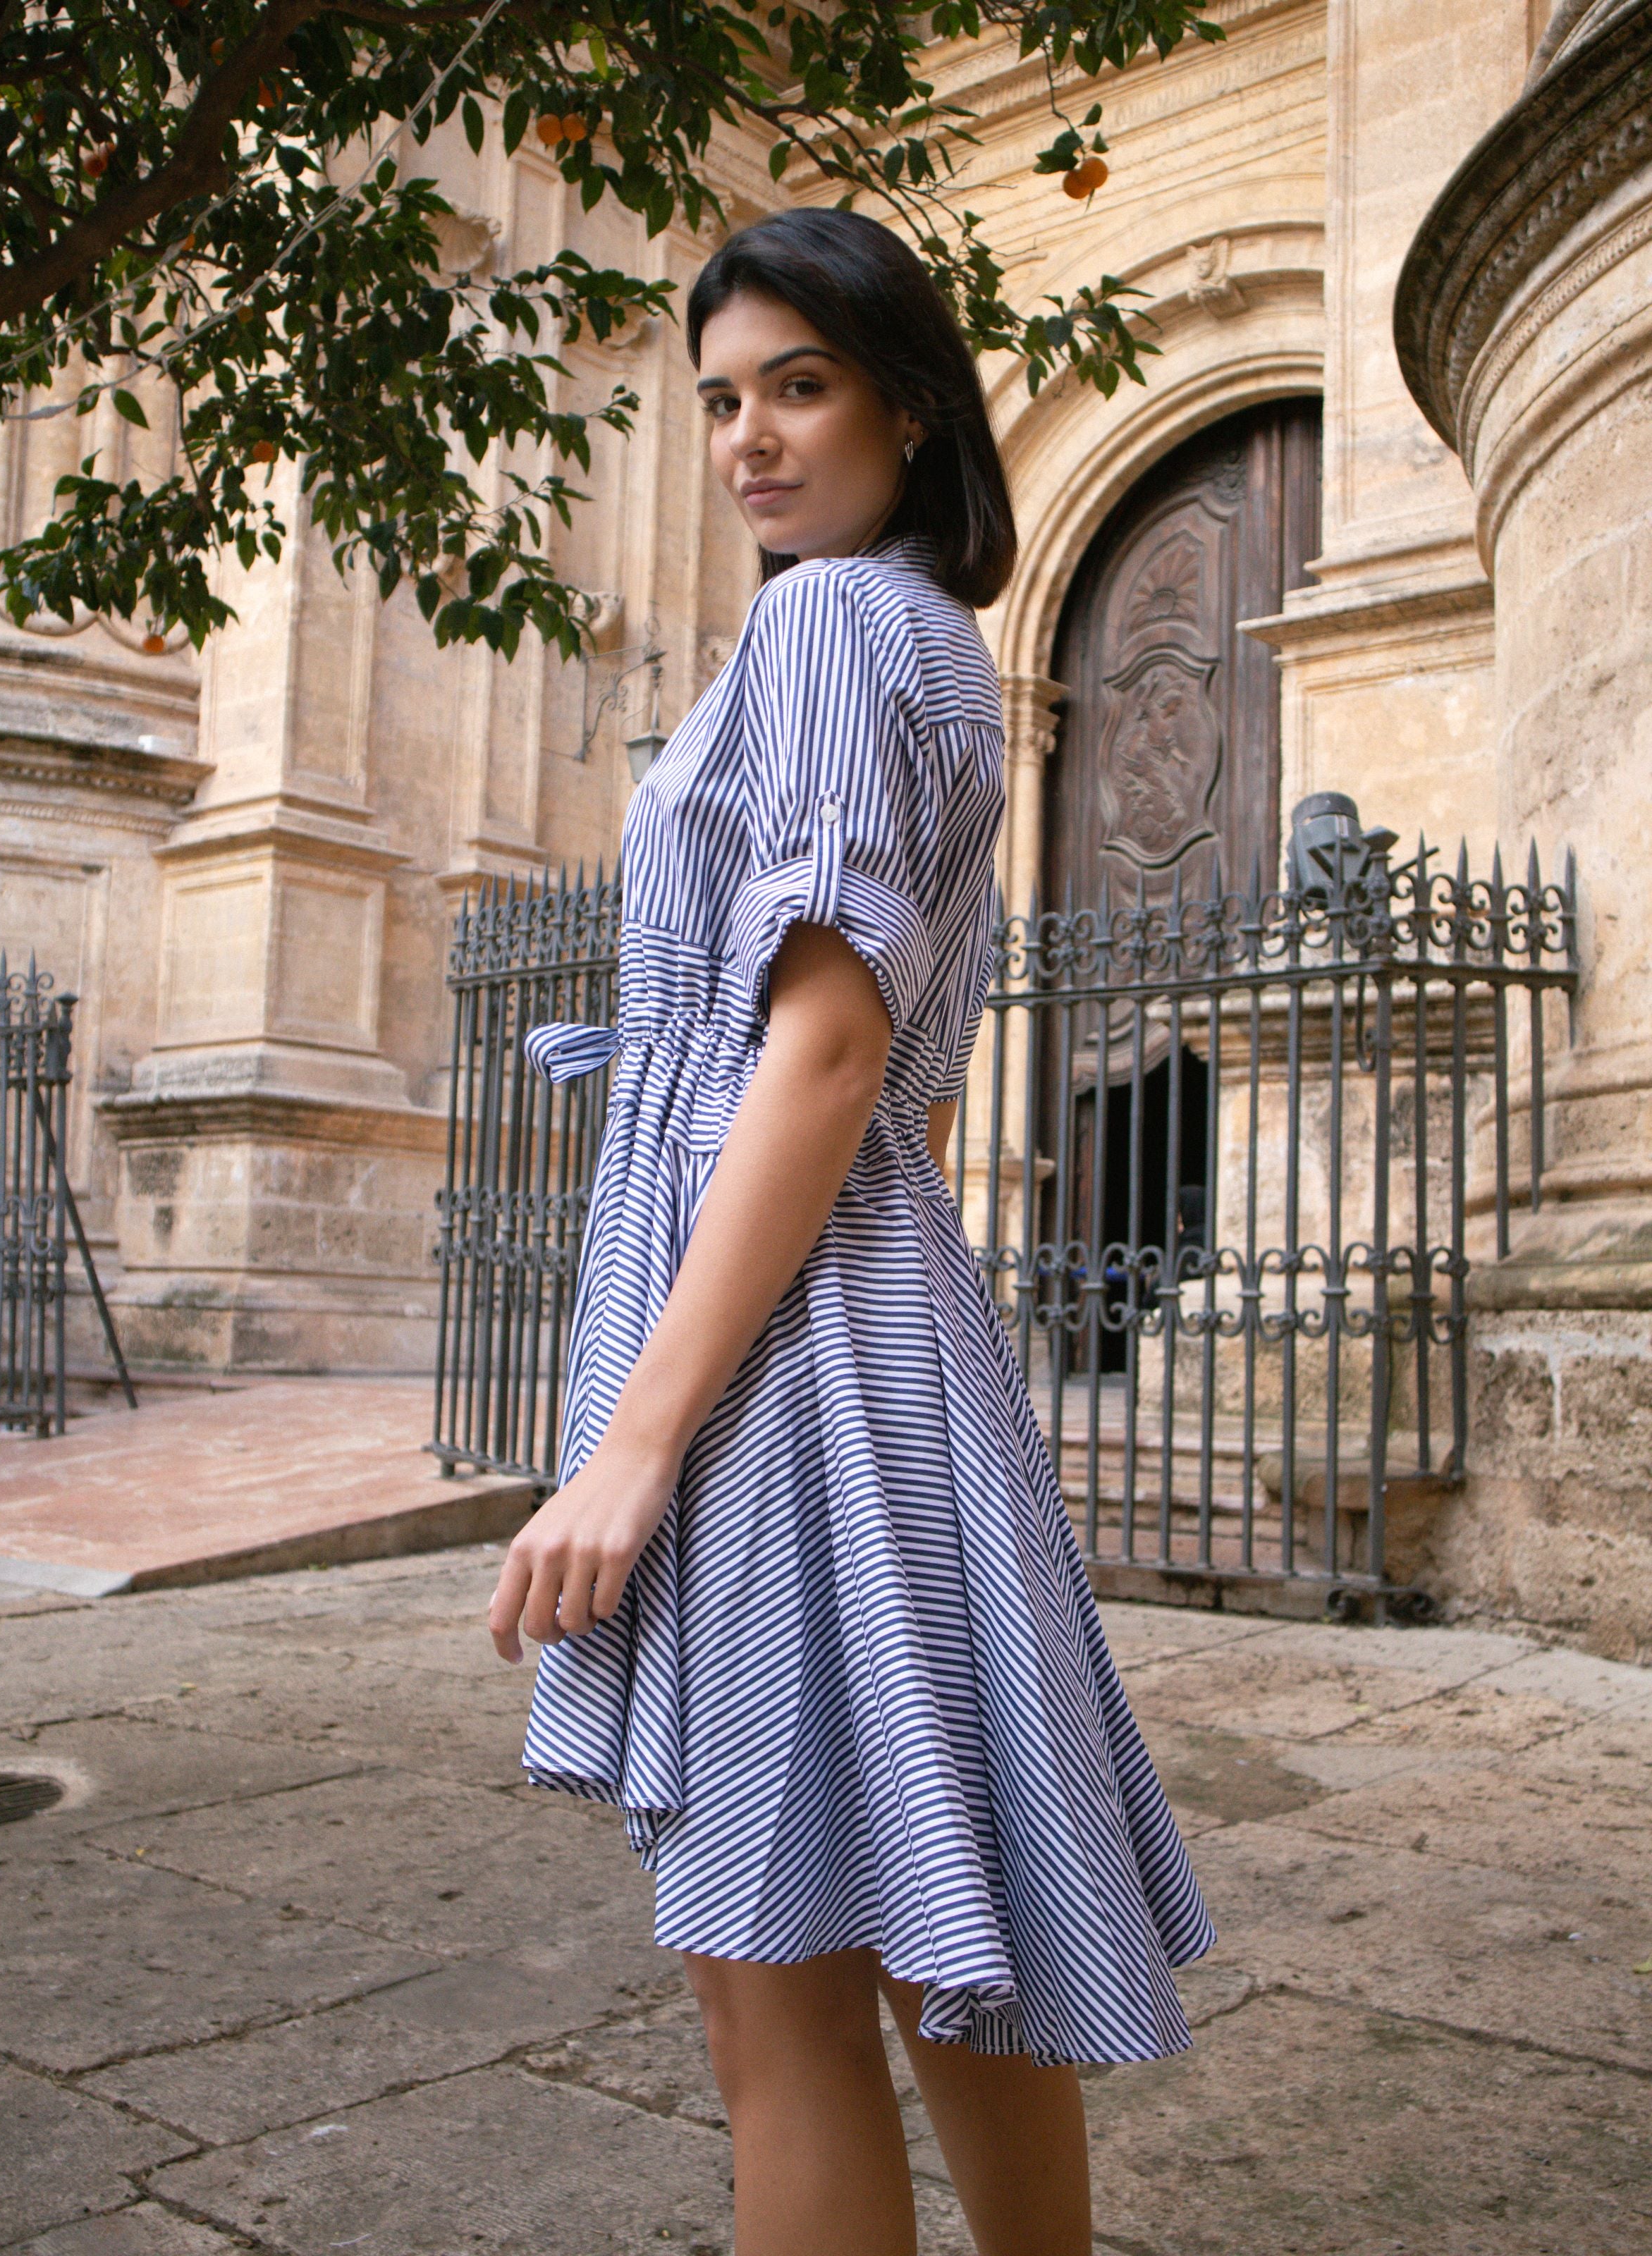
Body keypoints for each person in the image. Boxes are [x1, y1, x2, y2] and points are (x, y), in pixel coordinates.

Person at [488, 207, 1213, 2256]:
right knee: (925, 1915)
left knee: (778, 1990)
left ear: (906, 398)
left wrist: (637, 1433)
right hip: (866, 1325)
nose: (745, 438)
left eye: (797, 384)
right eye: (720, 398)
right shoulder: (921, 644)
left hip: (776, 1354)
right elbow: (904, 1070)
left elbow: (821, 1055)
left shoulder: (826, 630)